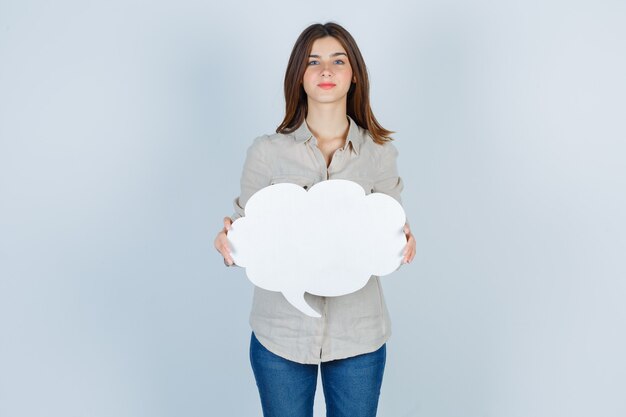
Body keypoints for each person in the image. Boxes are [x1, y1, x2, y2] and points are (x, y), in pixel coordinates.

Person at [214, 21, 416, 417]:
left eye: (338, 61)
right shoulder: (266, 152)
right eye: (314, 61)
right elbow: (244, 227)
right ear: (299, 75)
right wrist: (227, 242)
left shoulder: (378, 152)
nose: (326, 71)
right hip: (280, 334)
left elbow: (389, 226)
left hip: (359, 336)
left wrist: (403, 241)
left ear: (353, 74)